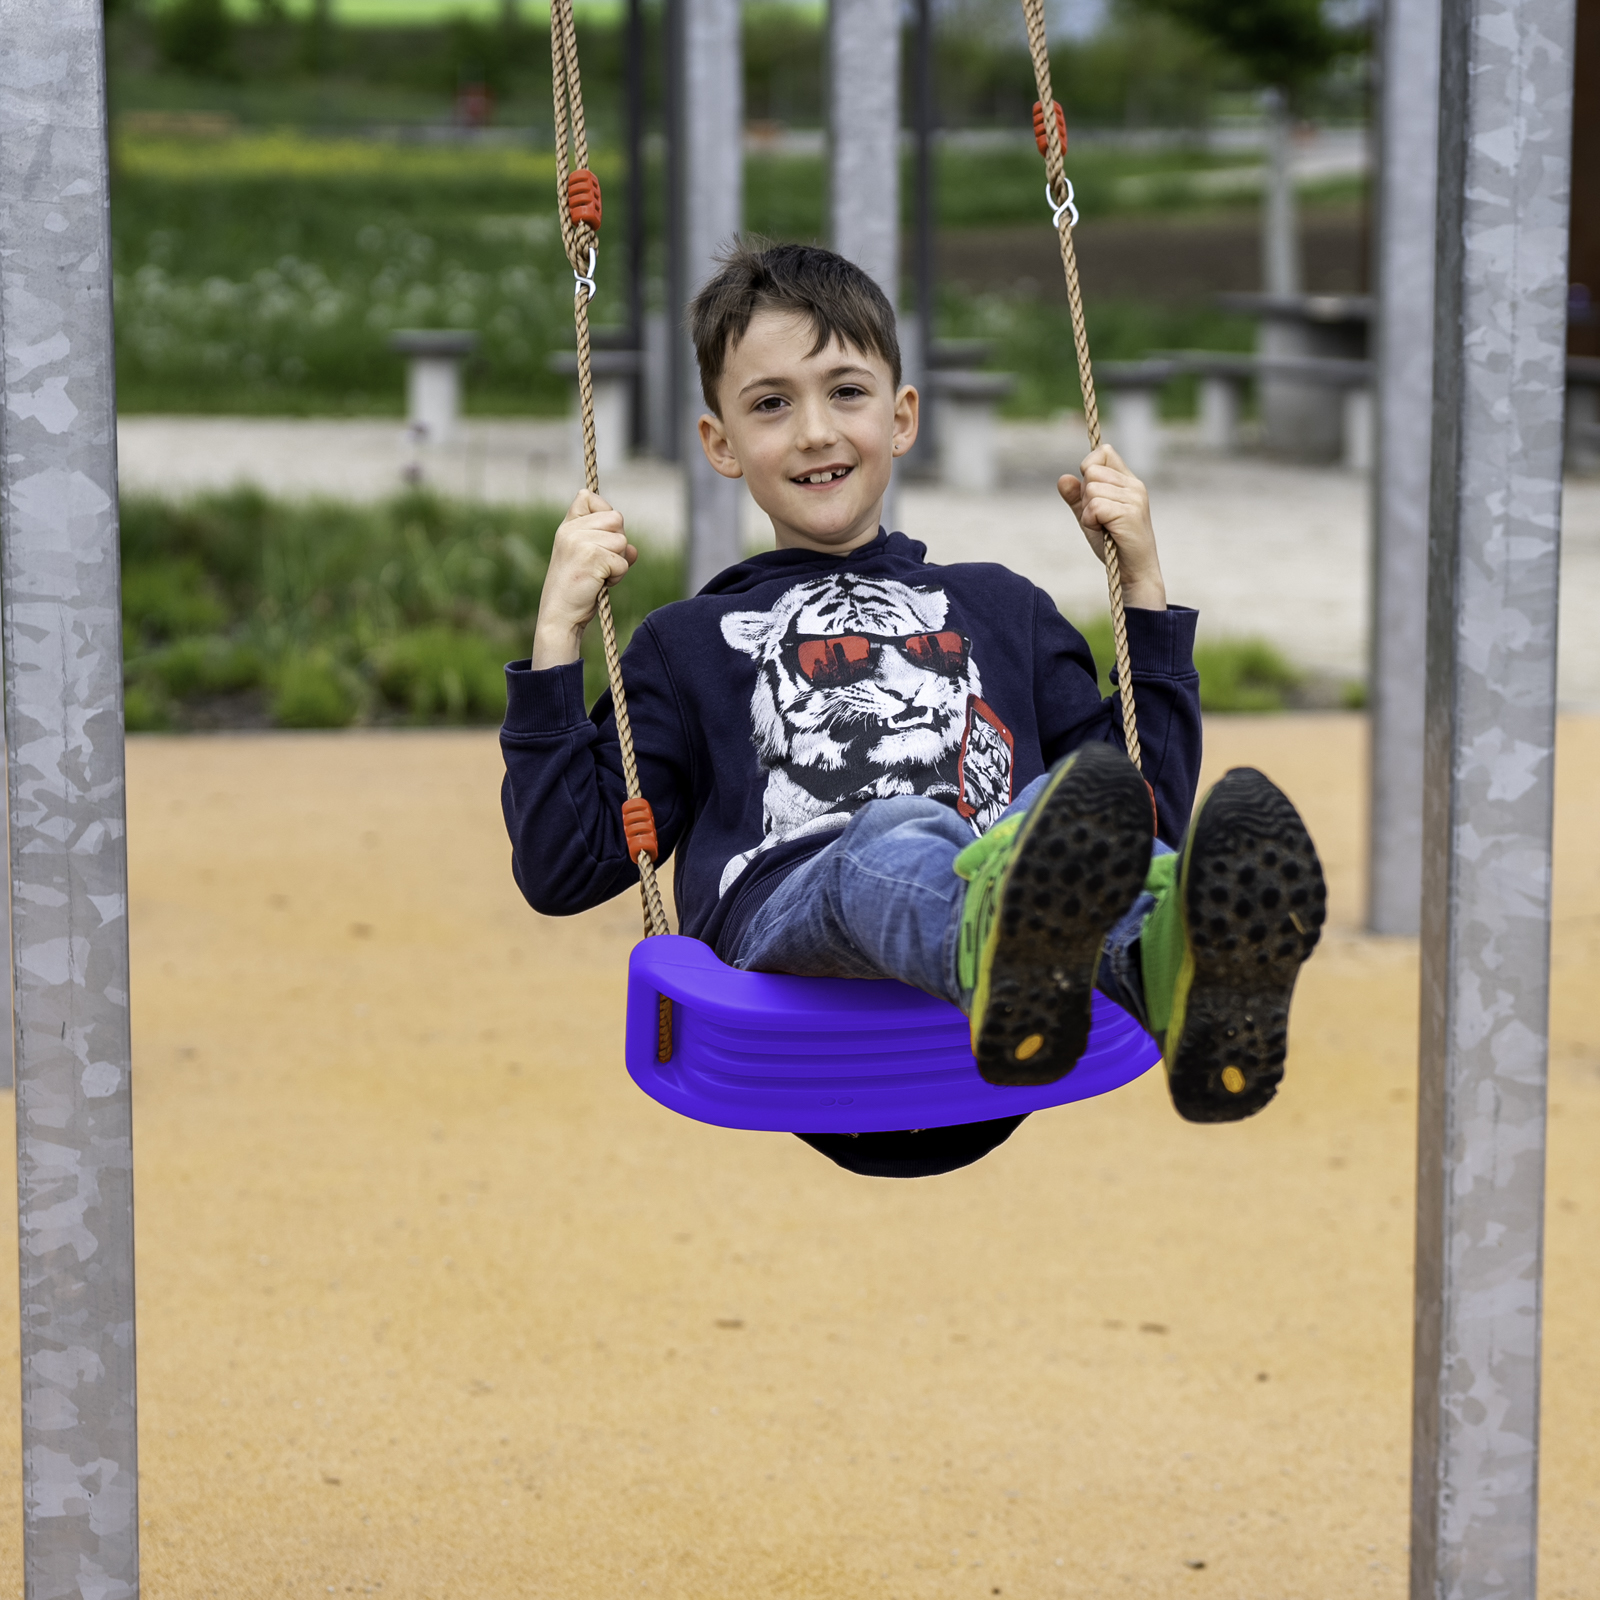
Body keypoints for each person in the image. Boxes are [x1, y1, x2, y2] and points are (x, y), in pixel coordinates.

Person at [500, 241, 1325, 1179]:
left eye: (846, 393)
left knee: (1072, 807)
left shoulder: (1001, 607)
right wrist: (557, 633)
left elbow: (1146, 812)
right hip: (796, 935)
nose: (814, 431)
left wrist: (1141, 582)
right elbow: (563, 869)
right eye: (771, 403)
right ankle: (1008, 954)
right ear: (720, 443)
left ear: (902, 418)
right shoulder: (690, 643)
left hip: (990, 990)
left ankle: (1168, 959)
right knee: (896, 828)